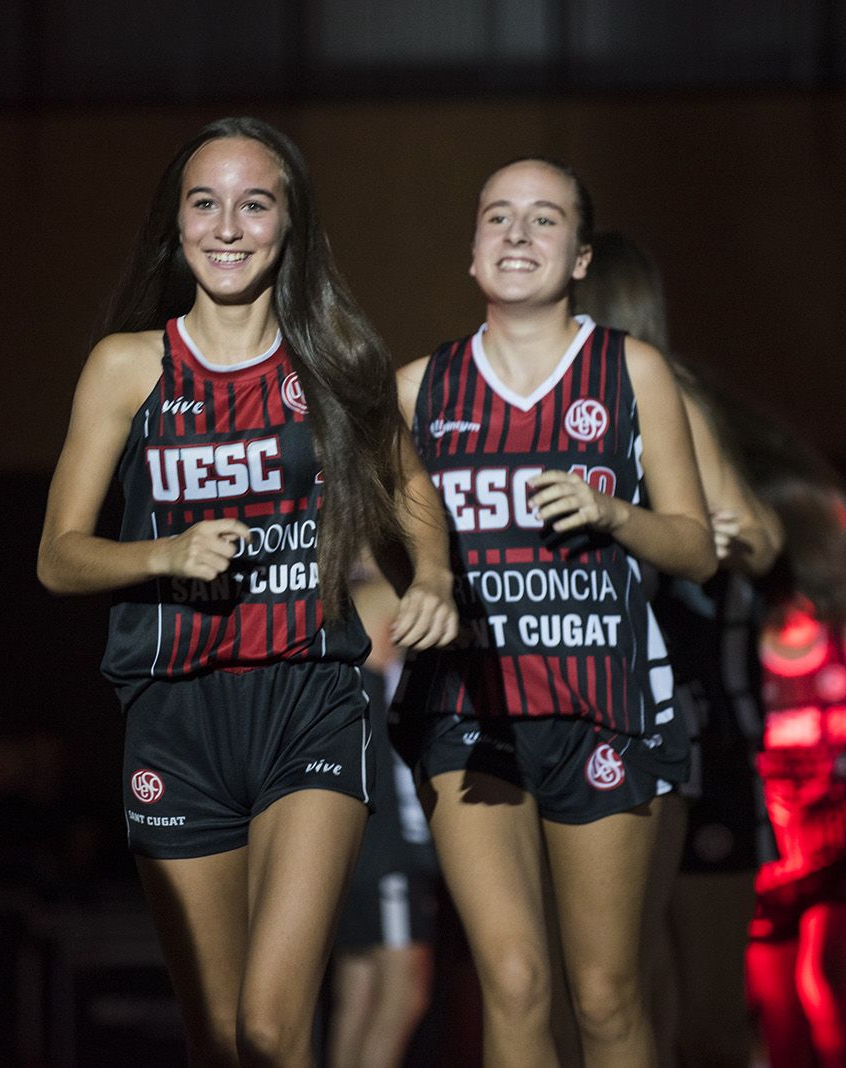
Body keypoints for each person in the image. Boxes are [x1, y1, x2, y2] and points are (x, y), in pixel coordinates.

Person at [36, 116, 457, 1067]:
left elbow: (412, 497)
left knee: (273, 1028)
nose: (228, 226)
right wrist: (162, 555)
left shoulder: (336, 365)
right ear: (175, 225)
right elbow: (58, 557)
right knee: (222, 1043)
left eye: (254, 203)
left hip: (310, 698)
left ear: (289, 227)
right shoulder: (125, 367)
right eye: (205, 202)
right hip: (175, 717)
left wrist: (431, 576)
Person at [392, 158, 717, 1067]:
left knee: (607, 994)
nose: (518, 236)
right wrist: (422, 578)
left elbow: (696, 546)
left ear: (580, 256)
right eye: (498, 217)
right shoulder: (417, 389)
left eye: (544, 220)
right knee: (514, 979)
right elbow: (384, 541)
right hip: (471, 706)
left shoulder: (631, 371)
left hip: (602, 699)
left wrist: (617, 512)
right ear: (470, 252)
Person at [571, 230, 782, 1068]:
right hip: (601, 712)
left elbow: (760, 539)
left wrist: (716, 534)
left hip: (695, 723)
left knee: (678, 1000)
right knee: (615, 983)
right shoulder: (544, 400)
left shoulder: (664, 392)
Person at [746, 481, 846, 1068]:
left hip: (839, 843)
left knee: (825, 983)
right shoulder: (744, 652)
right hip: (769, 852)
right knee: (776, 1007)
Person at [326, 574, 439, 1068]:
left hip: (352, 834)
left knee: (361, 986)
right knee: (403, 988)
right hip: (383, 841)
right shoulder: (381, 593)